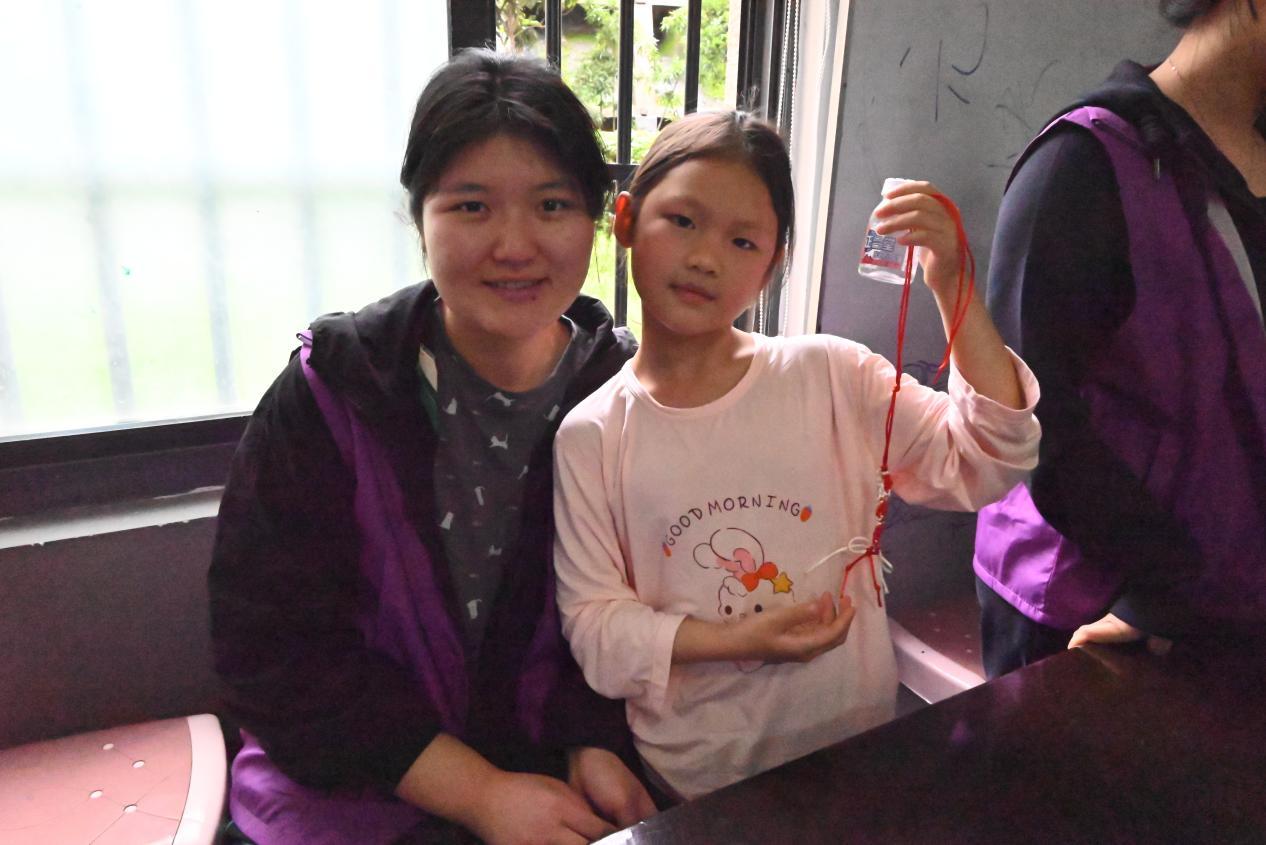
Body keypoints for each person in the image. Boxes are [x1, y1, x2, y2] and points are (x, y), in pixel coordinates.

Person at [207, 49, 657, 845]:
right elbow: (271, 648)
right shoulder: (332, 390)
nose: (514, 245)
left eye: (552, 205)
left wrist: (593, 736)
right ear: (418, 217)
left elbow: (645, 600)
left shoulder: (629, 395)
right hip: (356, 785)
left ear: (596, 218)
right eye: (471, 206)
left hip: (554, 774)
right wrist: (478, 793)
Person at [551, 111, 1041, 801]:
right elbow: (596, 631)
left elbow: (989, 455)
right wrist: (740, 639)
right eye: (682, 221)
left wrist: (953, 282)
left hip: (853, 753)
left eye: (742, 240)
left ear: (772, 264)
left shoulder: (832, 376)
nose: (706, 258)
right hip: (690, 781)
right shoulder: (592, 436)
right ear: (626, 220)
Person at [972, 0, 1266, 678]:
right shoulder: (1084, 165)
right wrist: (1168, 588)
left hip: (1231, 601)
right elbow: (1033, 424)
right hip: (1096, 612)